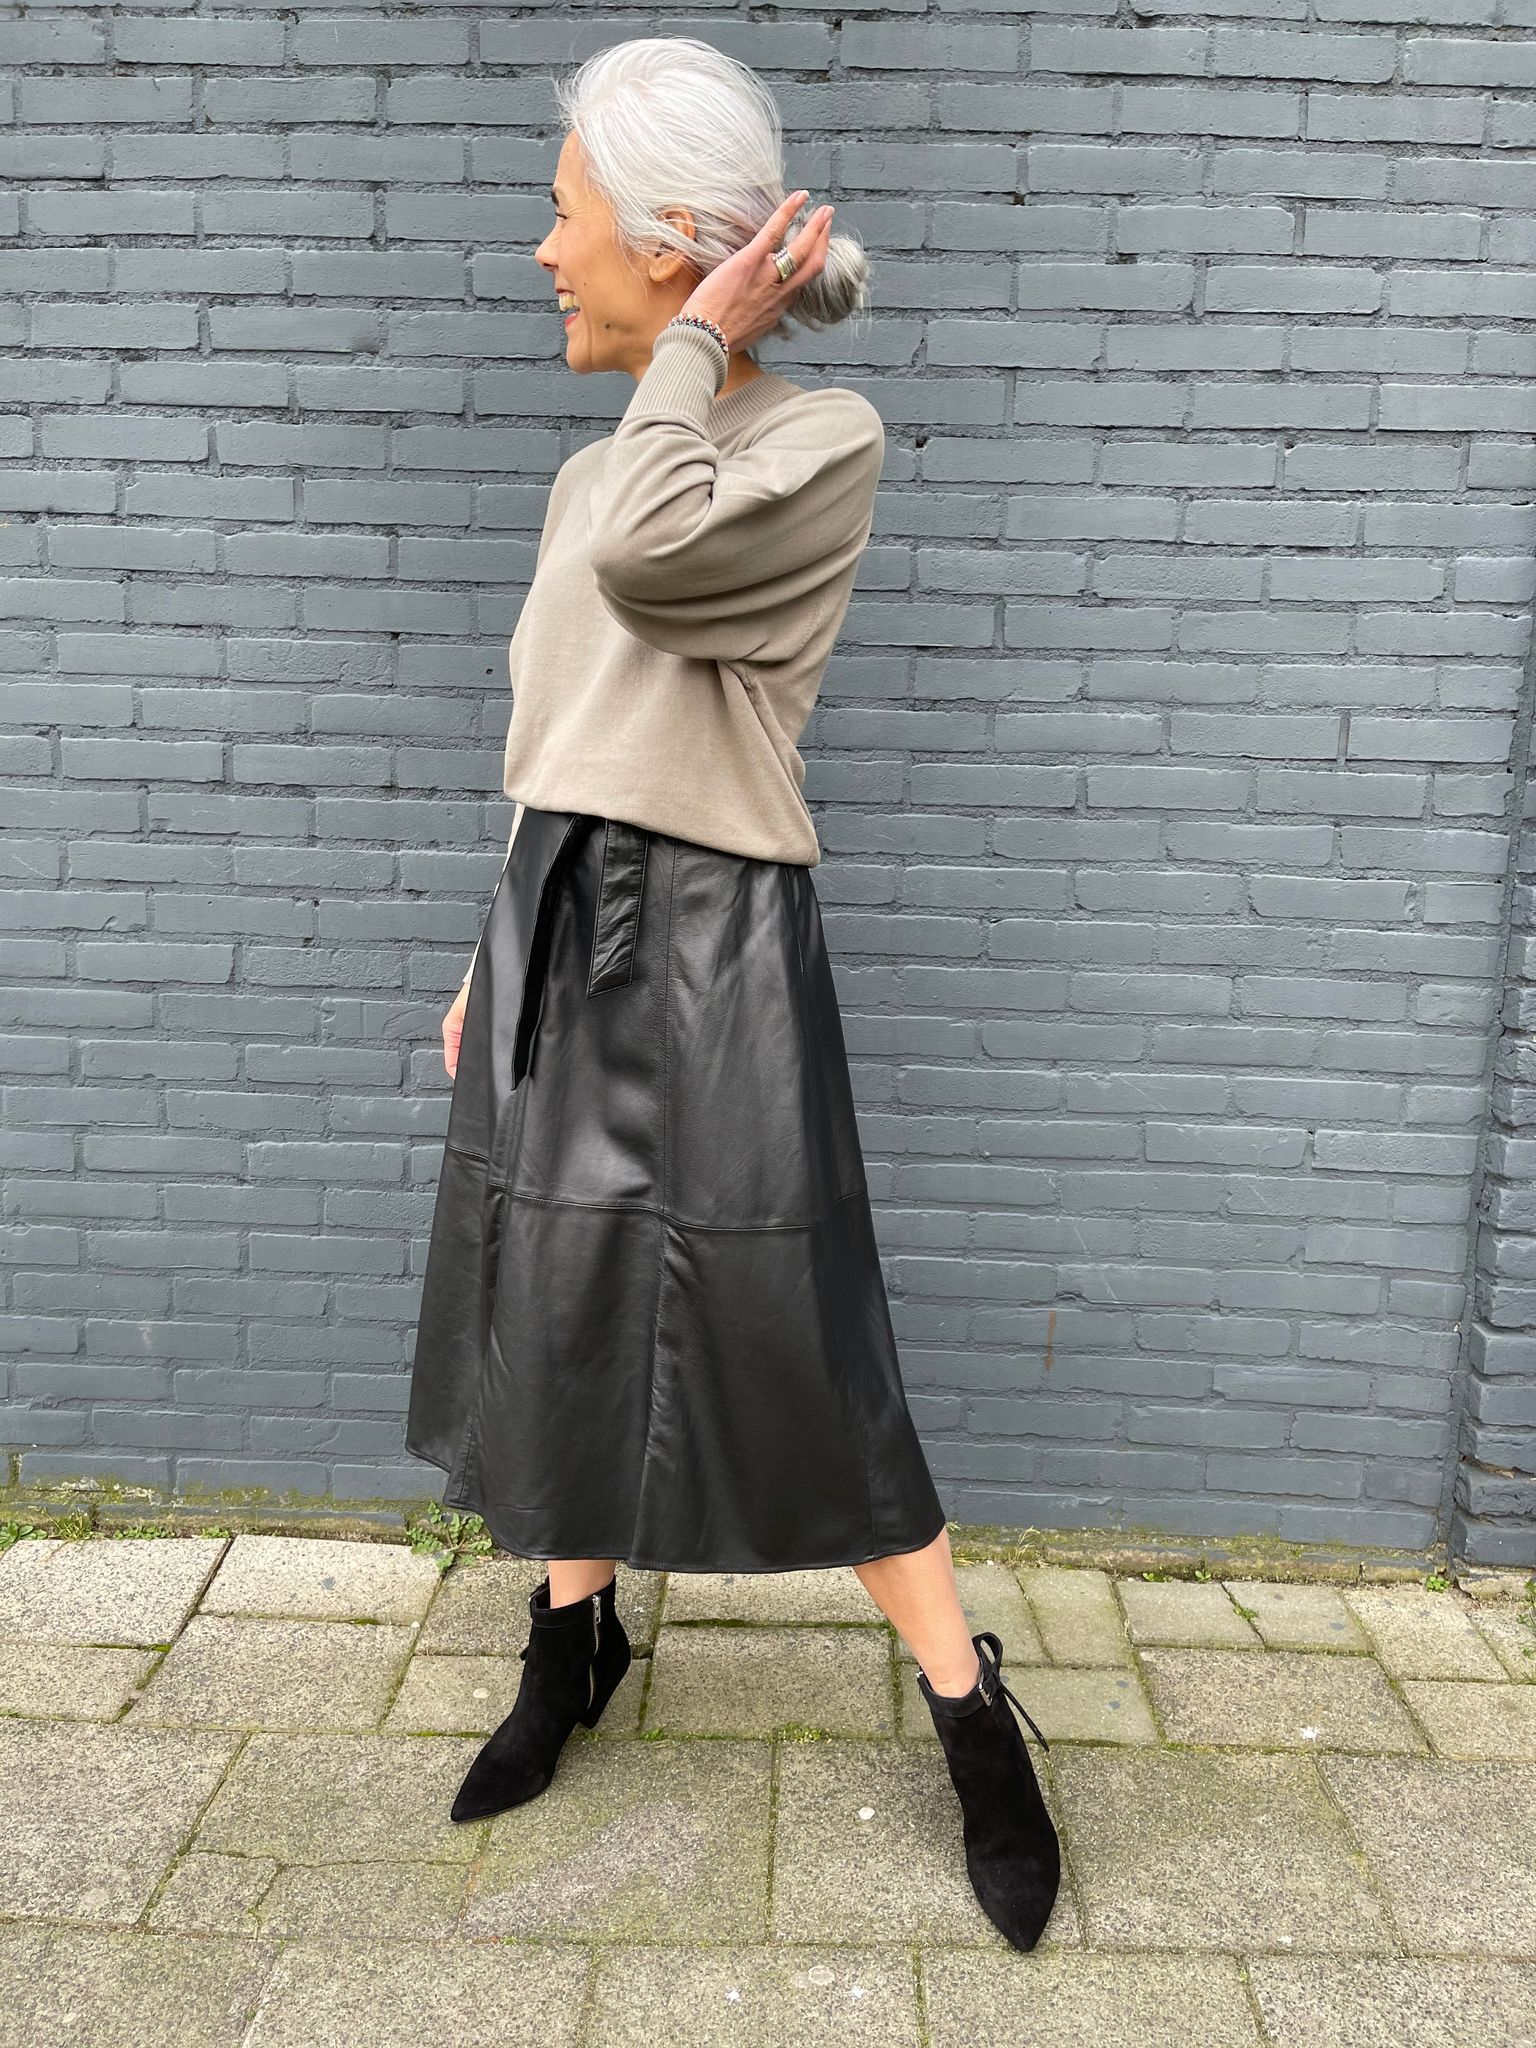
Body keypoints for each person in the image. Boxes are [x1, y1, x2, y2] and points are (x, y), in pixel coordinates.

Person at [404, 36, 1059, 1953]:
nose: (544, 253)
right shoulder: (593, 470)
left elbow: (651, 557)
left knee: (795, 1334)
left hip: (714, 943)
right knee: (556, 1297)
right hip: (558, 917)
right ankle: (572, 1641)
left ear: (675, 245)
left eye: (568, 216)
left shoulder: (813, 443)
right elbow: (552, 739)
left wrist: (702, 338)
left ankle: (972, 1710)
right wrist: (485, 956)